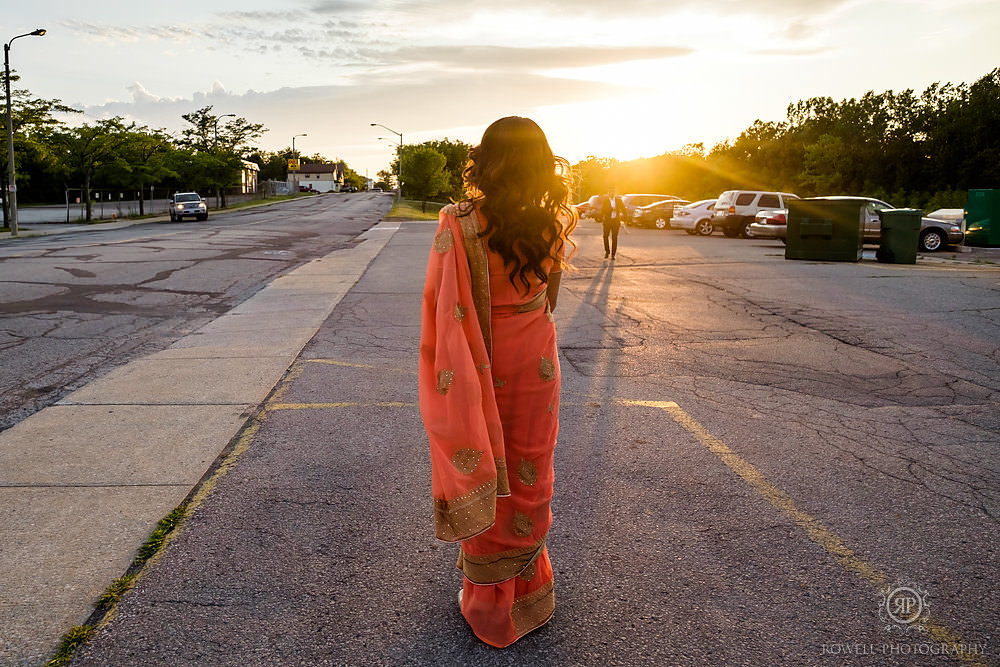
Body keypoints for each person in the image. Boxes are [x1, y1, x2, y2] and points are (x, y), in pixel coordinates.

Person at [419, 116, 577, 648]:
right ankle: (530, 590)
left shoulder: (456, 221)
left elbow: (442, 305)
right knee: (529, 473)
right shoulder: (552, 218)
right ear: (542, 162)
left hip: (478, 357)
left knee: (489, 465)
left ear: (483, 161)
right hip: (535, 360)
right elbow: (548, 299)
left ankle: (487, 602)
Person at [600, 188, 625, 259]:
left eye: (612, 192)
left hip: (615, 221)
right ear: (608, 193)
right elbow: (603, 210)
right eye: (610, 192)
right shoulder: (606, 201)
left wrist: (625, 218)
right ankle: (607, 252)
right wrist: (611, 209)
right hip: (607, 221)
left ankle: (613, 254)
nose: (611, 193)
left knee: (614, 238)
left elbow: (623, 209)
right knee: (605, 236)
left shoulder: (618, 200)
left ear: (614, 193)